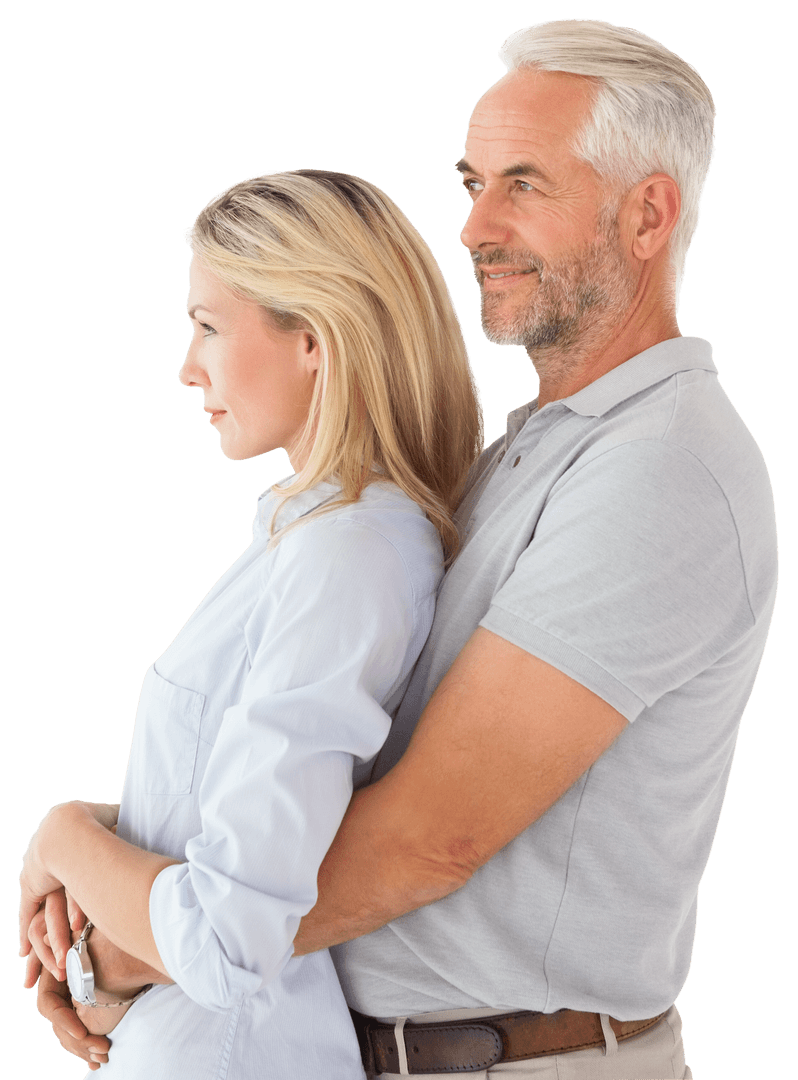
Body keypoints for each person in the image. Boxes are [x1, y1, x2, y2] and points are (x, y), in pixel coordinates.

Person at [30, 18, 779, 1080]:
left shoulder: (660, 471)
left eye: (523, 183)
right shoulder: (520, 457)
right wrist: (92, 839)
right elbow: (316, 786)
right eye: (472, 181)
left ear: (648, 214)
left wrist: (125, 938)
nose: (474, 224)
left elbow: (435, 835)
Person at [19, 168, 484, 1078]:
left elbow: (231, 934)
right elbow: (238, 807)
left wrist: (62, 845)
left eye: (207, 326)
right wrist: (88, 830)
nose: (187, 366)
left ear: (312, 338)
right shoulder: (311, 534)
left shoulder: (353, 556)